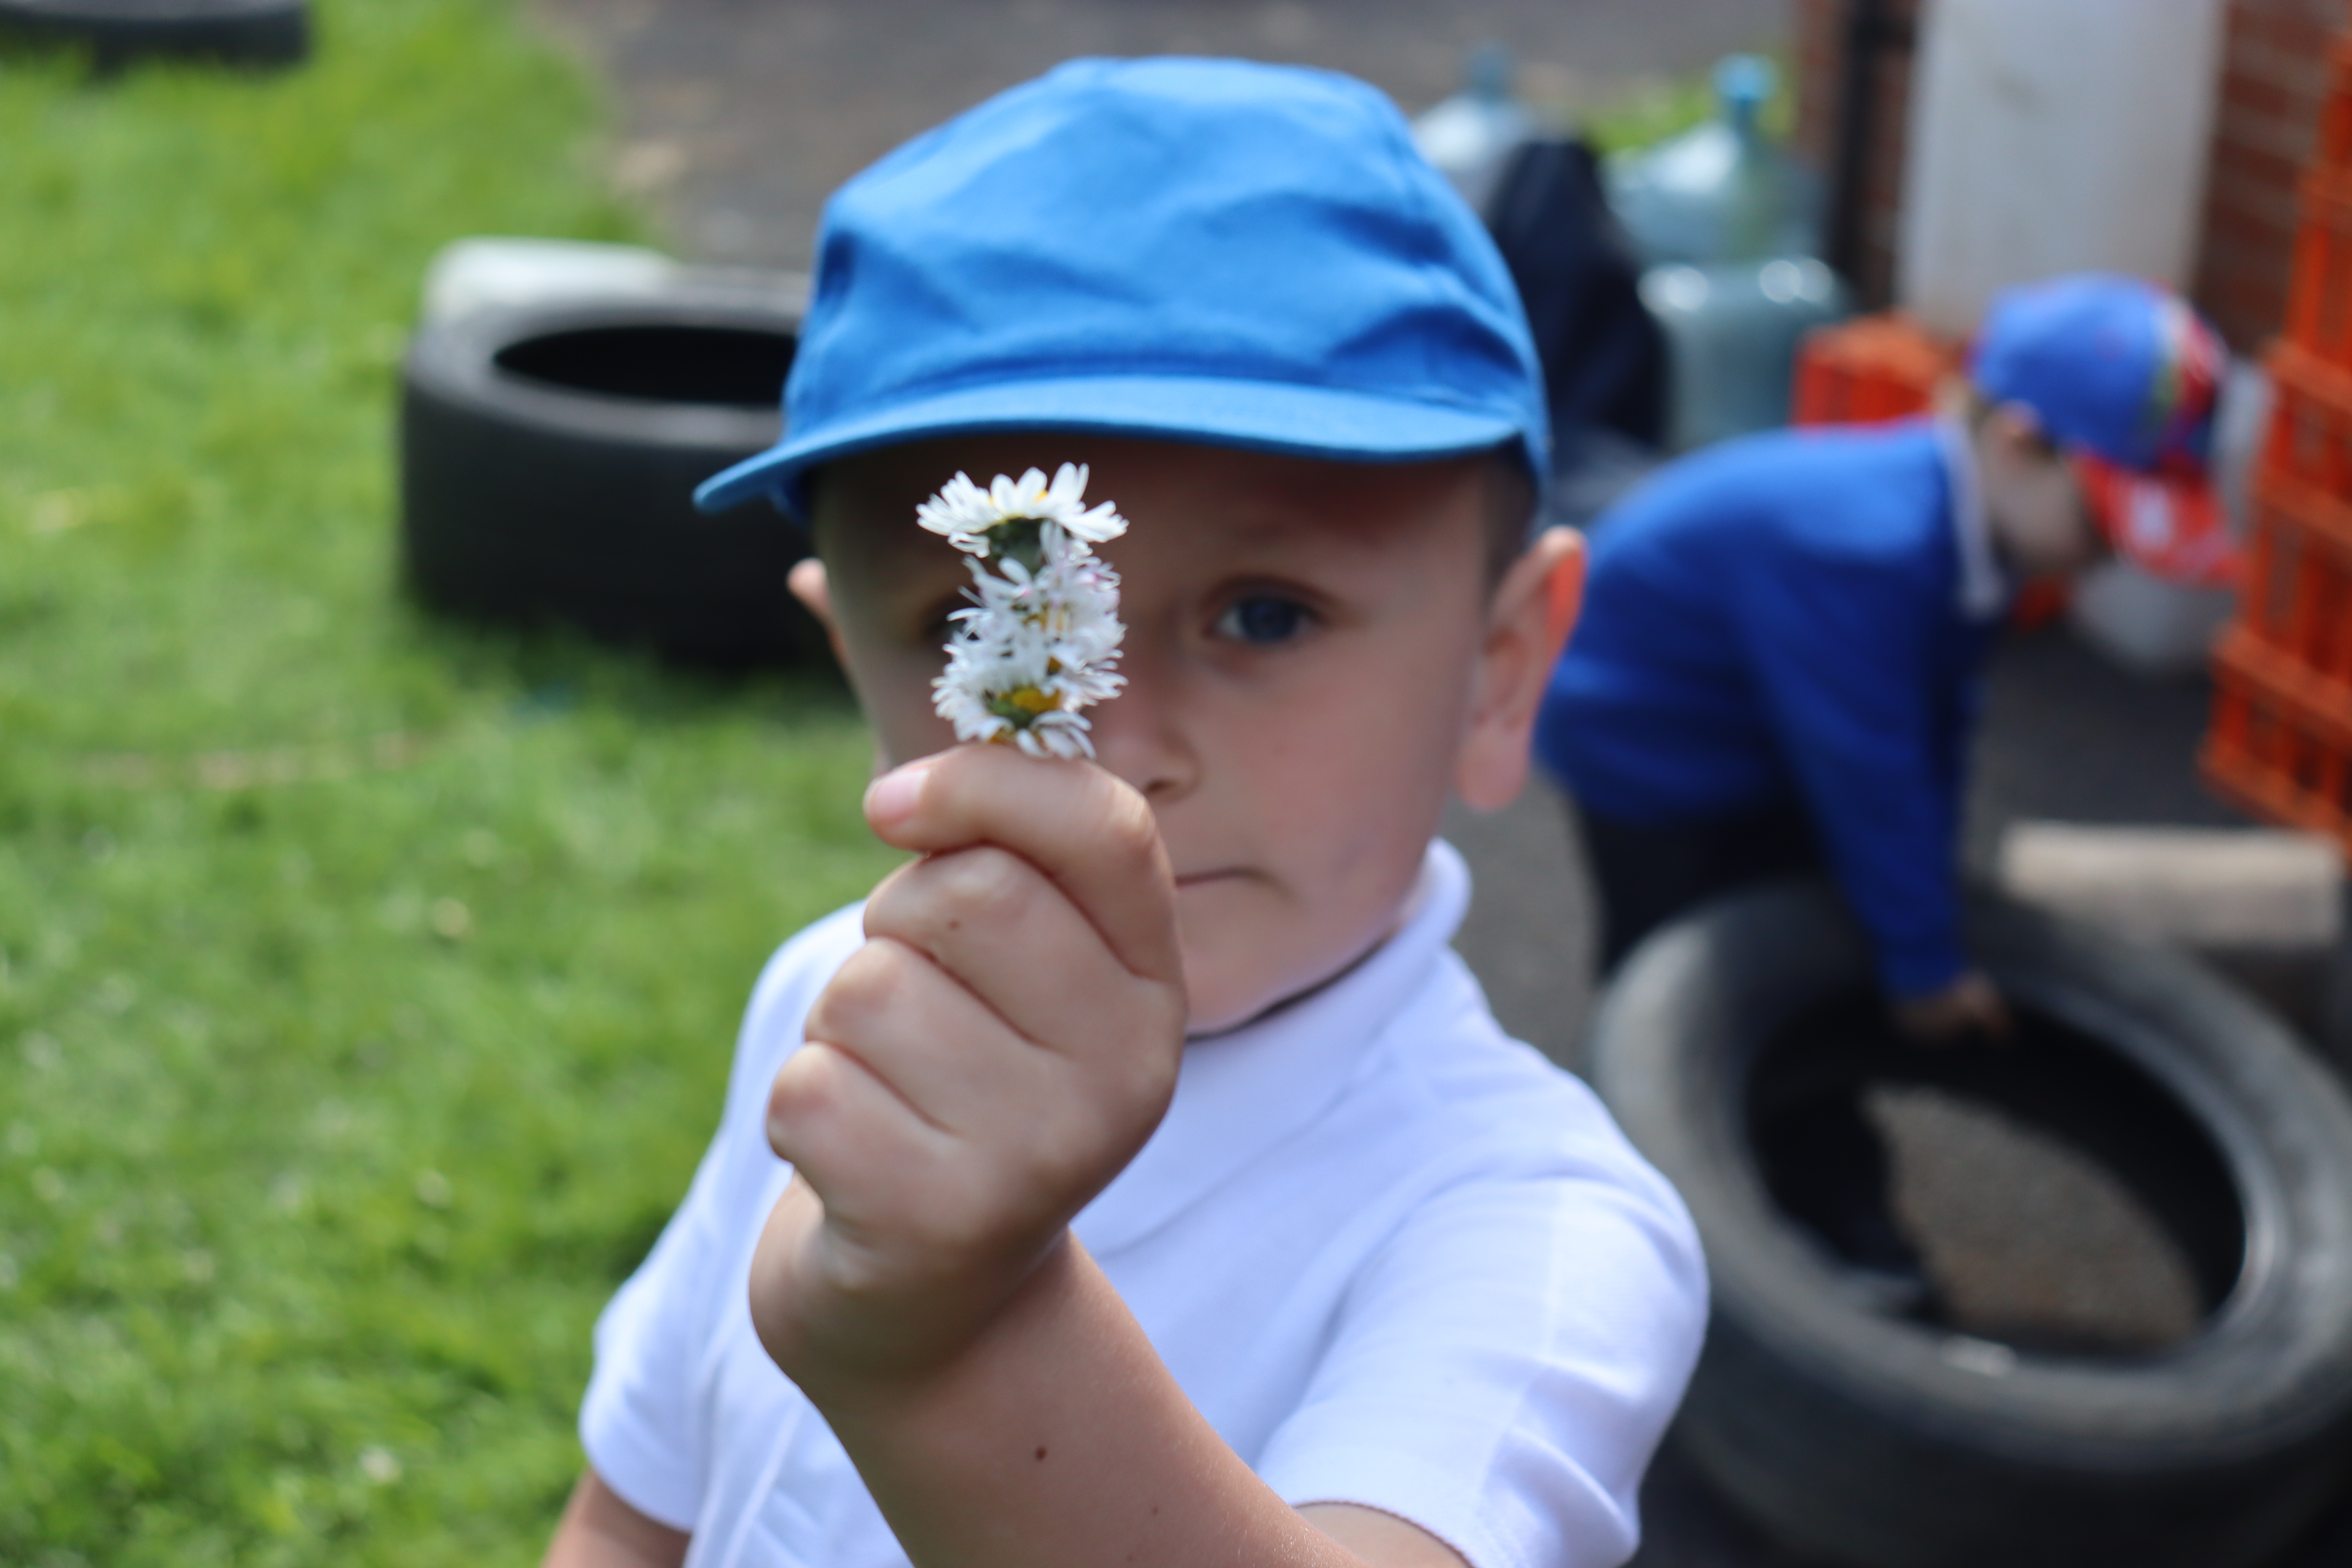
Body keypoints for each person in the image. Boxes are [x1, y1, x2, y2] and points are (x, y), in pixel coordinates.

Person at [542, 58, 1706, 1568]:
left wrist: (966, 1342)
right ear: (855, 659)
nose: (1116, 758)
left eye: (1267, 617)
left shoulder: (1532, 1231)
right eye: (997, 634)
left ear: (1501, 676)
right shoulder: (824, 1015)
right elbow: (639, 1514)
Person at [1534, 273, 2234, 1291]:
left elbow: (1933, 721)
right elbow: (1867, 765)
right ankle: (1654, 1213)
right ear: (2020, 444)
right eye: (2106, 520)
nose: (2112, 559)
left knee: (1824, 909)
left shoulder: (1971, 533)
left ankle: (1808, 1185)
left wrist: (1929, 912)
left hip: (1765, 708)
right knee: (1685, 969)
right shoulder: (1867, 549)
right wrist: (1922, 967)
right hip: (1649, 736)